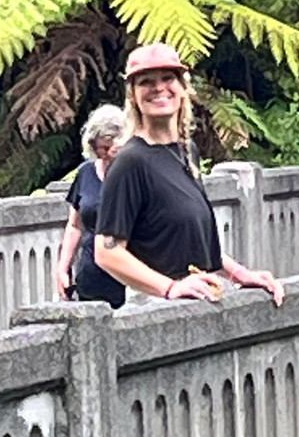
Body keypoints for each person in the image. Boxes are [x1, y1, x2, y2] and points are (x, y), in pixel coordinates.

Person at [95, 43, 284, 305]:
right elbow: (107, 253)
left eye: (167, 78)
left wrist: (239, 274)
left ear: (183, 88)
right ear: (133, 96)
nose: (159, 88)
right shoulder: (130, 162)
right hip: (157, 308)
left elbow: (194, 244)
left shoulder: (186, 151)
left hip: (199, 297)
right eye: (146, 82)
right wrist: (170, 287)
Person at [55, 105, 127, 308]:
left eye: (108, 149)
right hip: (90, 277)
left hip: (128, 279)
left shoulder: (134, 174)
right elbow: (75, 225)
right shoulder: (86, 173)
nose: (103, 154)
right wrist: (63, 267)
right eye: (98, 148)